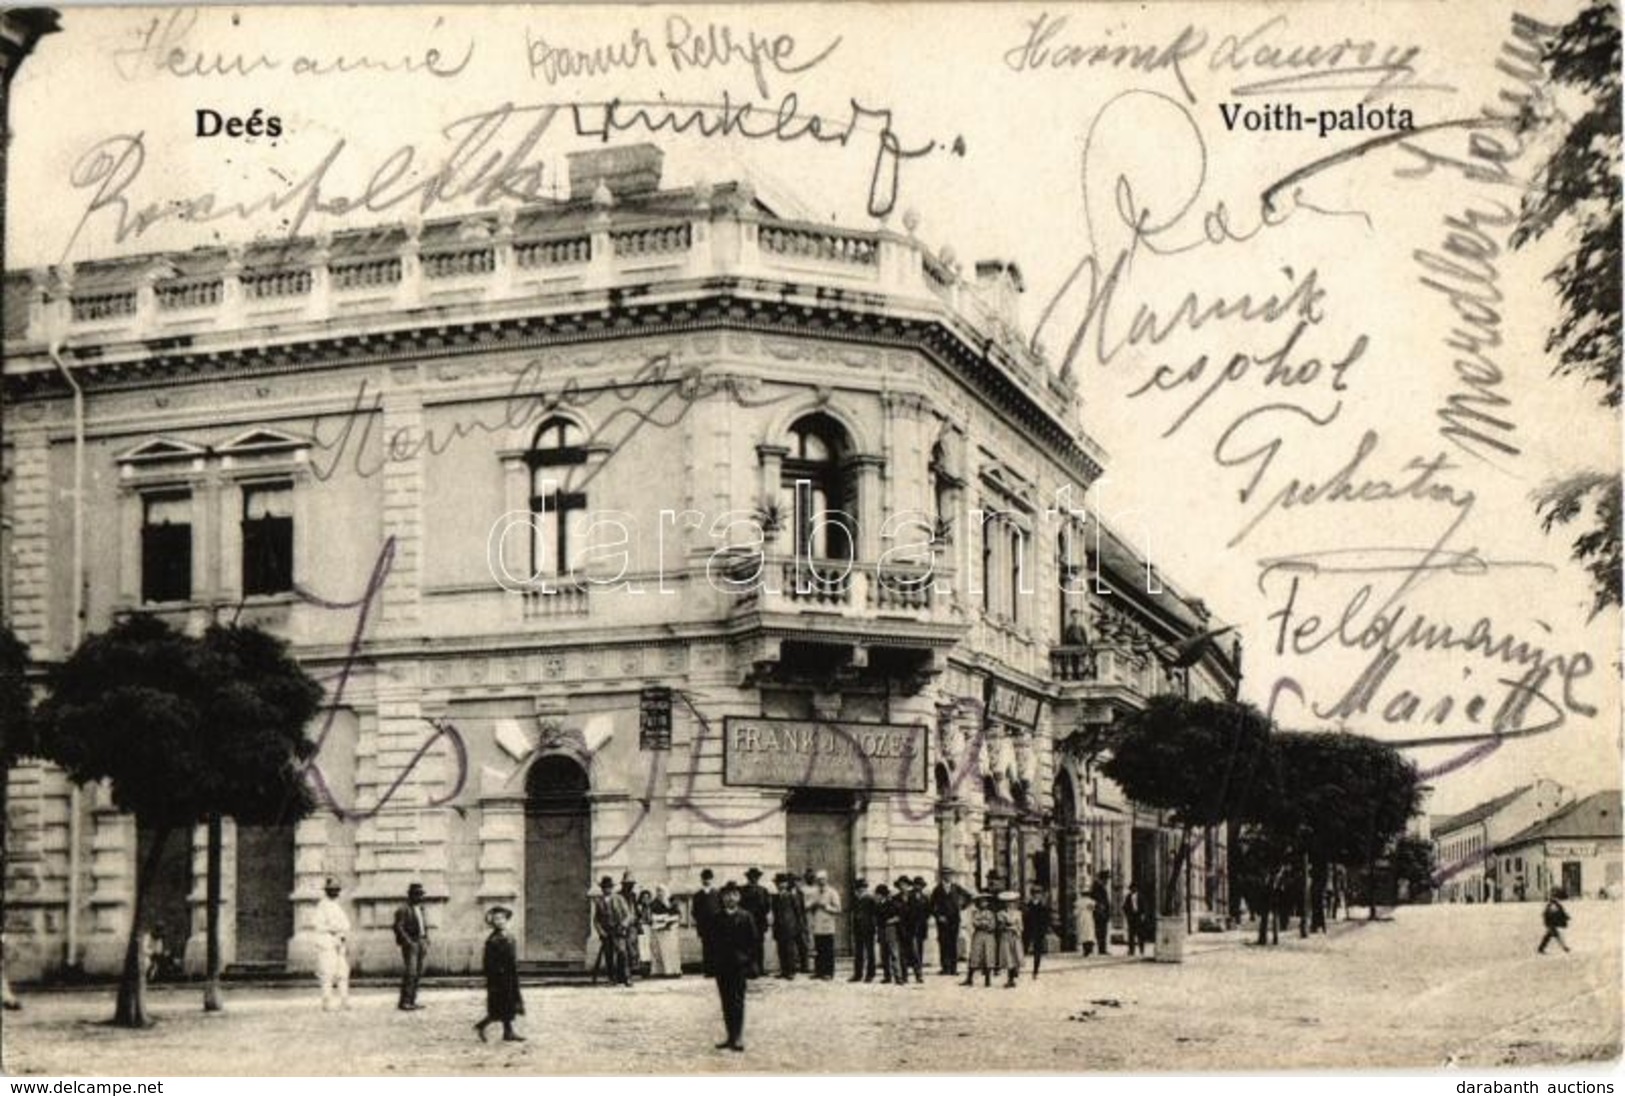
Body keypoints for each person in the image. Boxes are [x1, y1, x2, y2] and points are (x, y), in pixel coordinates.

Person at [710, 881, 757, 1052]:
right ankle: (729, 1036)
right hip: (722, 966)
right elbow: (711, 943)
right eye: (727, 895)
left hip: (739, 966)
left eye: (734, 894)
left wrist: (750, 964)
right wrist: (711, 965)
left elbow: (753, 943)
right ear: (722, 898)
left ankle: (738, 1037)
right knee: (726, 1001)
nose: (730, 898)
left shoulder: (746, 917)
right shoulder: (717, 918)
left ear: (739, 897)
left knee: (737, 1001)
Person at [474, 906, 525, 1042]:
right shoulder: (493, 940)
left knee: (508, 1005)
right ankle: (481, 1025)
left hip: (510, 976)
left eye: (502, 918)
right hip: (499, 978)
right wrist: (496, 974)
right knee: (499, 1006)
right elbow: (488, 962)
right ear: (492, 922)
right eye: (496, 919)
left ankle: (508, 1033)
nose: (500, 921)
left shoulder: (508, 935)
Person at [312, 876, 352, 1011]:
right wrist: (334, 928)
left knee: (343, 973)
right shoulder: (321, 906)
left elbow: (346, 924)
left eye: (336, 890)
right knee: (327, 974)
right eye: (332, 890)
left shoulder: (337, 906)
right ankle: (327, 1002)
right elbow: (318, 926)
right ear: (326, 891)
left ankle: (344, 1000)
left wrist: (341, 933)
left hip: (339, 942)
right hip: (327, 942)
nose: (335, 892)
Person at [392, 881, 430, 1010]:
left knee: (418, 973)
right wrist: (408, 942)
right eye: (417, 894)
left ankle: (412, 1000)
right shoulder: (403, 909)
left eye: (421, 894)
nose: (420, 897)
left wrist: (426, 939)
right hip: (412, 944)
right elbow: (398, 927)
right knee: (411, 973)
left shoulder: (421, 908)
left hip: (421, 942)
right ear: (410, 895)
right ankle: (405, 1002)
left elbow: (424, 926)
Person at [592, 876, 631, 986]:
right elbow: (596, 920)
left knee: (622, 953)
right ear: (602, 889)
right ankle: (611, 978)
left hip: (619, 930)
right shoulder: (599, 901)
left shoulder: (619, 899)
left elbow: (628, 915)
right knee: (609, 955)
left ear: (612, 888)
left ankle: (625, 978)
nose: (606, 889)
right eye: (604, 887)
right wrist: (601, 931)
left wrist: (623, 925)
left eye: (609, 887)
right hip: (606, 932)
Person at [929, 869, 967, 975]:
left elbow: (968, 897)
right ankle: (945, 968)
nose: (948, 876)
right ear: (942, 876)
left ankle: (953, 969)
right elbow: (931, 906)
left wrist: (962, 906)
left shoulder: (956, 888)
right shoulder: (937, 889)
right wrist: (938, 916)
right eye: (946, 874)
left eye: (950, 874)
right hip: (942, 921)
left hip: (954, 920)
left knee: (953, 944)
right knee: (943, 943)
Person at [808, 870, 842, 979]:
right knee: (819, 950)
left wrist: (826, 906)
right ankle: (819, 972)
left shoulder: (832, 892)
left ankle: (828, 973)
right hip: (818, 924)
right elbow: (808, 906)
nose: (820, 882)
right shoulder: (814, 892)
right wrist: (813, 904)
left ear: (826, 880)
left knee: (828, 950)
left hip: (828, 925)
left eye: (822, 879)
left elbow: (838, 909)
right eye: (818, 880)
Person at [739, 868, 771, 979]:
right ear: (748, 878)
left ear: (758, 879)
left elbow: (767, 907)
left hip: (759, 923)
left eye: (755, 877)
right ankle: (748, 969)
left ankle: (760, 969)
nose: (753, 879)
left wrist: (760, 915)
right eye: (751, 877)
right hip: (746, 923)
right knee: (747, 946)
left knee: (759, 946)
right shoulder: (742, 890)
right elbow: (740, 906)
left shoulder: (763, 891)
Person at [770, 874, 803, 979]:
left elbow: (798, 912)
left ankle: (791, 971)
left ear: (787, 884)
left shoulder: (791, 896)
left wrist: (798, 926)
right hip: (779, 927)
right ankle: (784, 971)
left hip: (790, 926)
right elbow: (774, 913)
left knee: (789, 950)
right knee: (781, 949)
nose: (780, 885)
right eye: (778, 883)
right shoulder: (775, 897)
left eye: (783, 883)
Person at [649, 884, 683, 978]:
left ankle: (674, 970)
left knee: (672, 951)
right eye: (658, 891)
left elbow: (678, 915)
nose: (660, 893)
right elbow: (653, 917)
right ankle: (661, 971)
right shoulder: (654, 904)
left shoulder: (672, 902)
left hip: (671, 932)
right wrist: (664, 920)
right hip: (660, 931)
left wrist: (671, 920)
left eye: (662, 891)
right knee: (660, 951)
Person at [692, 868, 722, 976]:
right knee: (706, 948)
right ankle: (708, 970)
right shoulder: (698, 895)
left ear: (712, 879)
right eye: (704, 878)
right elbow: (694, 912)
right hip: (704, 926)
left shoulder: (717, 893)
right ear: (701, 880)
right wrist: (701, 922)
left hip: (716, 926)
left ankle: (716, 969)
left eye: (709, 878)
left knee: (716, 947)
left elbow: (721, 909)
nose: (706, 881)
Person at [963, 893, 997, 987]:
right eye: (981, 902)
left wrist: (987, 925)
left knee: (988, 955)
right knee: (974, 955)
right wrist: (981, 923)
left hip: (989, 935)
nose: (983, 903)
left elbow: (993, 925)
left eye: (985, 902)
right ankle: (969, 978)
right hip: (978, 934)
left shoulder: (991, 913)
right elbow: (974, 922)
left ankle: (988, 980)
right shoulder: (976, 913)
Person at [876, 884, 905, 985]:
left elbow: (900, 916)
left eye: (878, 894)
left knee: (894, 954)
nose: (877, 896)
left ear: (882, 895)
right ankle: (887, 976)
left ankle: (898, 977)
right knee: (884, 955)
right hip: (882, 930)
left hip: (891, 930)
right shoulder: (878, 904)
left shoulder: (892, 904)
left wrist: (892, 920)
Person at [849, 877, 877, 983]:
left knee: (870, 952)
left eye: (863, 887)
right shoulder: (856, 899)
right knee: (858, 952)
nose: (861, 890)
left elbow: (874, 914)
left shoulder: (870, 898)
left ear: (866, 888)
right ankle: (858, 974)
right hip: (858, 929)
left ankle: (870, 974)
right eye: (859, 888)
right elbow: (854, 913)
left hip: (868, 928)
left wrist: (874, 927)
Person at [1022, 883, 1051, 980]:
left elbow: (1046, 919)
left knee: (1037, 952)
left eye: (1038, 893)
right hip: (1028, 930)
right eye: (1034, 893)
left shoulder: (1044, 906)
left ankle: (1035, 971)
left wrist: (1044, 930)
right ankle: (1017, 969)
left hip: (1039, 931)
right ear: (1031, 894)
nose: (1036, 895)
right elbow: (1024, 918)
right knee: (1023, 949)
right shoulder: (1027, 905)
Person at [996, 891, 1024, 987]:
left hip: (1015, 937)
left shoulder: (1018, 913)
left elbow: (1021, 927)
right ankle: (1010, 979)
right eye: (1007, 902)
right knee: (1008, 958)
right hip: (1006, 937)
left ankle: (1014, 974)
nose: (1010, 904)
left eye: (1012, 902)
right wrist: (1005, 926)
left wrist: (1016, 929)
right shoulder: (1000, 913)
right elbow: (1000, 927)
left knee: (1015, 956)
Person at [796, 870, 815, 973]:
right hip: (806, 916)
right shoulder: (803, 890)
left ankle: (815, 965)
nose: (811, 878)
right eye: (808, 877)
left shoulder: (817, 889)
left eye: (812, 877)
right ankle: (806, 964)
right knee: (806, 939)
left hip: (816, 916)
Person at [1089, 872, 1112, 957]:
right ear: (1102, 879)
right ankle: (1101, 949)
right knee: (1100, 931)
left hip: (1102, 913)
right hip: (1100, 913)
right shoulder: (1097, 887)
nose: (1107, 881)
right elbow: (1098, 900)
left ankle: (1102, 949)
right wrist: (1101, 909)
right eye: (1106, 879)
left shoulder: (1100, 886)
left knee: (1103, 931)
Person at [911, 876, 931, 969]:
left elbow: (928, 911)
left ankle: (919, 963)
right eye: (916, 885)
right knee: (911, 944)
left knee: (920, 944)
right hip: (911, 924)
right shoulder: (909, 896)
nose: (918, 887)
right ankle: (911, 962)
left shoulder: (925, 898)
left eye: (920, 885)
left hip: (922, 925)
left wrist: (923, 919)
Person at [1123, 882, 1147, 956]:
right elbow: (1124, 907)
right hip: (1131, 916)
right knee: (1131, 934)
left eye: (1134, 888)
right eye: (1131, 888)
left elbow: (1144, 906)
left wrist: (1143, 915)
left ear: (1136, 888)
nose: (1133, 889)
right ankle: (1131, 950)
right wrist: (1127, 915)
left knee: (1140, 934)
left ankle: (1141, 949)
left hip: (1138, 915)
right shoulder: (1128, 897)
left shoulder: (1141, 896)